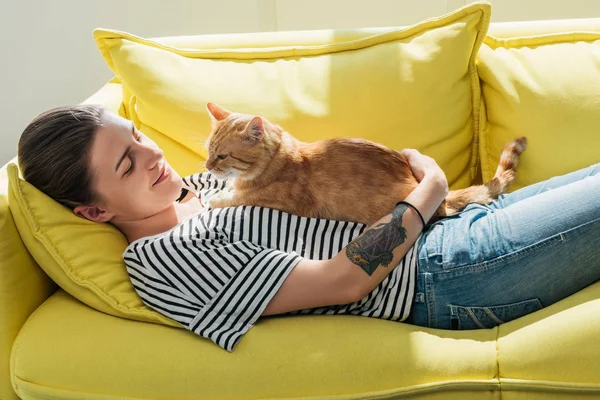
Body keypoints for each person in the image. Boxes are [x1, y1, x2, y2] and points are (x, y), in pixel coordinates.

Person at [17, 104, 600, 352]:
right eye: (126, 164)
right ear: (93, 213)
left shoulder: (203, 189)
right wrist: (431, 191)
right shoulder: (163, 259)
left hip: (456, 229)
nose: (151, 157)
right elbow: (343, 280)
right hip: (448, 273)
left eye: (137, 137)